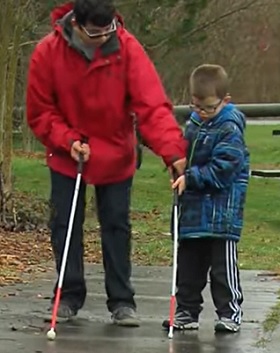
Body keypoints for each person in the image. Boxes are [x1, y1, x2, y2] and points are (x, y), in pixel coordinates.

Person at [26, 0, 187, 327]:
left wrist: (172, 151)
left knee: (116, 225)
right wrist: (68, 139)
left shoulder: (128, 49)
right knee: (65, 225)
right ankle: (69, 294)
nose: (105, 36)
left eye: (109, 28)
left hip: (116, 151)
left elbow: (152, 106)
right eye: (96, 32)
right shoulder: (47, 53)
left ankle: (122, 300)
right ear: (76, 25)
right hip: (69, 151)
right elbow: (40, 112)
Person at [162, 64, 250, 333]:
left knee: (222, 269)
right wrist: (177, 166)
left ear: (225, 101)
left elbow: (224, 167)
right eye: (196, 106)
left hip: (222, 213)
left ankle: (230, 312)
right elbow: (186, 155)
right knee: (188, 266)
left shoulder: (230, 128)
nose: (201, 112)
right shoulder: (193, 124)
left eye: (209, 108)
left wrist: (192, 177)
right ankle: (187, 311)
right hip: (192, 210)